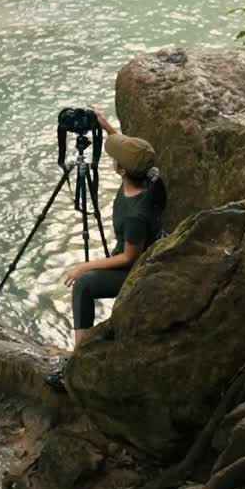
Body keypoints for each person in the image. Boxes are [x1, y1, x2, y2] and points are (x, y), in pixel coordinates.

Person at [62, 108, 167, 348]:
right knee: (87, 277)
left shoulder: (136, 214)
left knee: (83, 285)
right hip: (145, 250)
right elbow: (133, 154)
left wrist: (84, 266)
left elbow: (130, 258)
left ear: (121, 170)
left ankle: (79, 353)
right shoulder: (144, 180)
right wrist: (105, 126)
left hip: (138, 269)